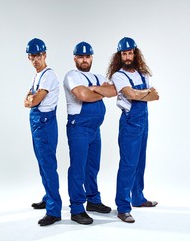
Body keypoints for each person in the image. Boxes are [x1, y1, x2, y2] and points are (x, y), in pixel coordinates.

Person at [106, 37, 160, 223]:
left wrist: (141, 94)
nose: (127, 57)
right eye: (124, 54)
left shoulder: (142, 73)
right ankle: (122, 206)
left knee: (140, 162)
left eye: (130, 53)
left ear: (135, 53)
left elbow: (156, 96)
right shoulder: (118, 75)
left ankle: (138, 197)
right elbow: (131, 94)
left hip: (143, 121)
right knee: (128, 164)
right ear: (119, 55)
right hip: (129, 123)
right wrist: (145, 93)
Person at [63, 41, 117, 225]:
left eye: (87, 56)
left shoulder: (98, 75)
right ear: (75, 58)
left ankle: (93, 200)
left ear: (91, 57)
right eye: (81, 56)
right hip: (79, 127)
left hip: (95, 128)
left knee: (92, 167)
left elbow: (113, 90)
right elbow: (83, 96)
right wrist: (99, 92)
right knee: (78, 168)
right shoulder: (71, 76)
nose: (84, 60)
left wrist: (96, 90)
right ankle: (77, 208)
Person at [24, 38, 62, 226]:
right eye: (31, 57)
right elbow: (26, 99)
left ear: (45, 55)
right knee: (42, 164)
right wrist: (30, 99)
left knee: (48, 165)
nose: (35, 60)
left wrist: (31, 99)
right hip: (37, 124)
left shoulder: (48, 75)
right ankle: (49, 197)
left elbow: (34, 101)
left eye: (38, 56)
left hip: (45, 125)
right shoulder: (37, 75)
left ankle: (54, 210)